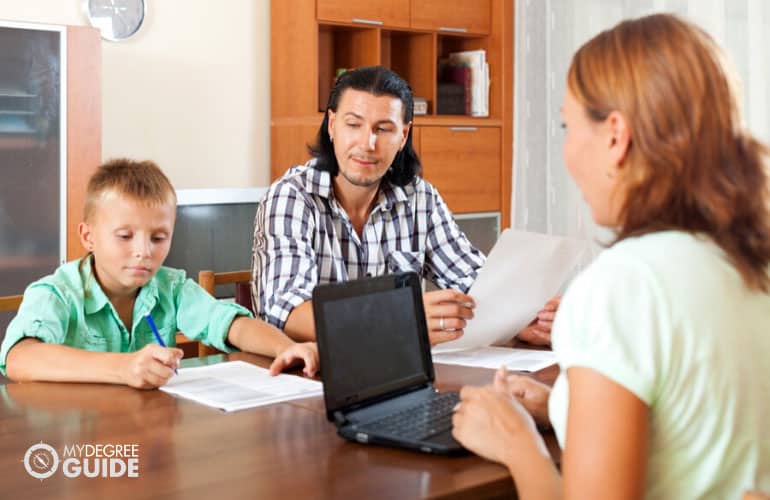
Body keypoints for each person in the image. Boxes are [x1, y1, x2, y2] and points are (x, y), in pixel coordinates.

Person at [451, 13, 770, 500]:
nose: (568, 150)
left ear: (616, 136)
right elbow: (695, 421)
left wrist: (516, 444)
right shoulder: (746, 262)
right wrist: (565, 404)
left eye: (568, 125)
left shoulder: (623, 286)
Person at [252, 65, 558, 346]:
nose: (367, 143)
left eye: (383, 129)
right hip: (309, 377)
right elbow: (287, 313)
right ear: (332, 125)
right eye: (354, 125)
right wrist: (400, 316)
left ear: (403, 135)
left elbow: (476, 283)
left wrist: (523, 318)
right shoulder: (292, 197)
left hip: (398, 371)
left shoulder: (419, 199)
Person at [1, 159, 318, 389]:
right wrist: (123, 368)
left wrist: (284, 348)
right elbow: (19, 358)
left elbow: (230, 323)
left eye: (158, 237)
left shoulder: (171, 287)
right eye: (125, 236)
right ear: (88, 237)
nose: (144, 251)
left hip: (145, 436)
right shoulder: (56, 293)